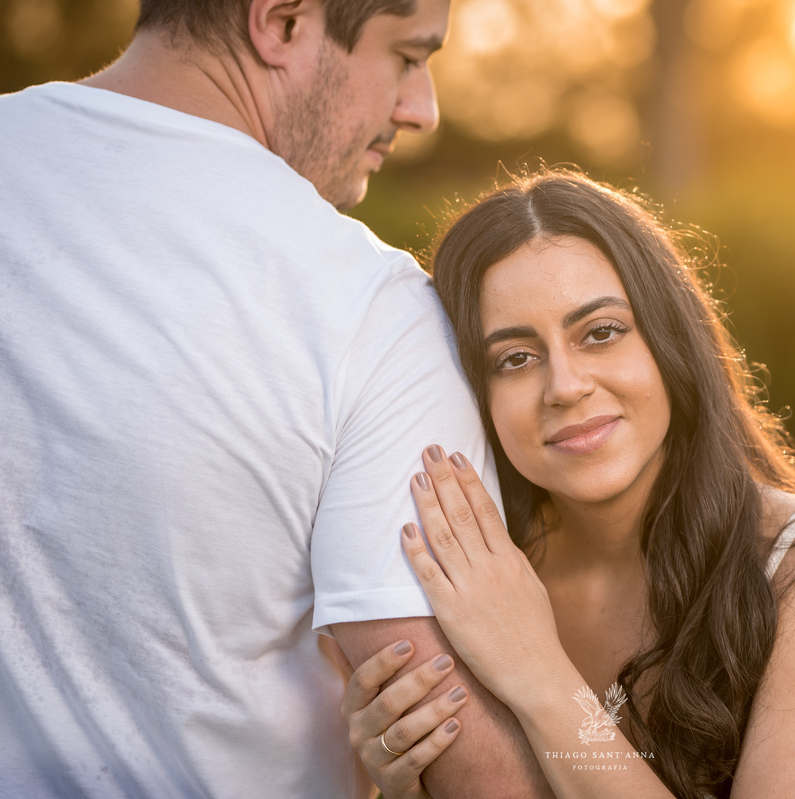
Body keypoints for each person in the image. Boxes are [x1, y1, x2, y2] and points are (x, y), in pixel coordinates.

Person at [0, 1, 552, 796]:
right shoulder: (369, 310)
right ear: (283, 22)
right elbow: (472, 765)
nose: (422, 109)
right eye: (405, 56)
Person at [345, 170, 795, 798]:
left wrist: (537, 671)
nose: (565, 386)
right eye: (515, 358)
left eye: (601, 332)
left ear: (670, 340)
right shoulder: (480, 579)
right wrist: (403, 788)